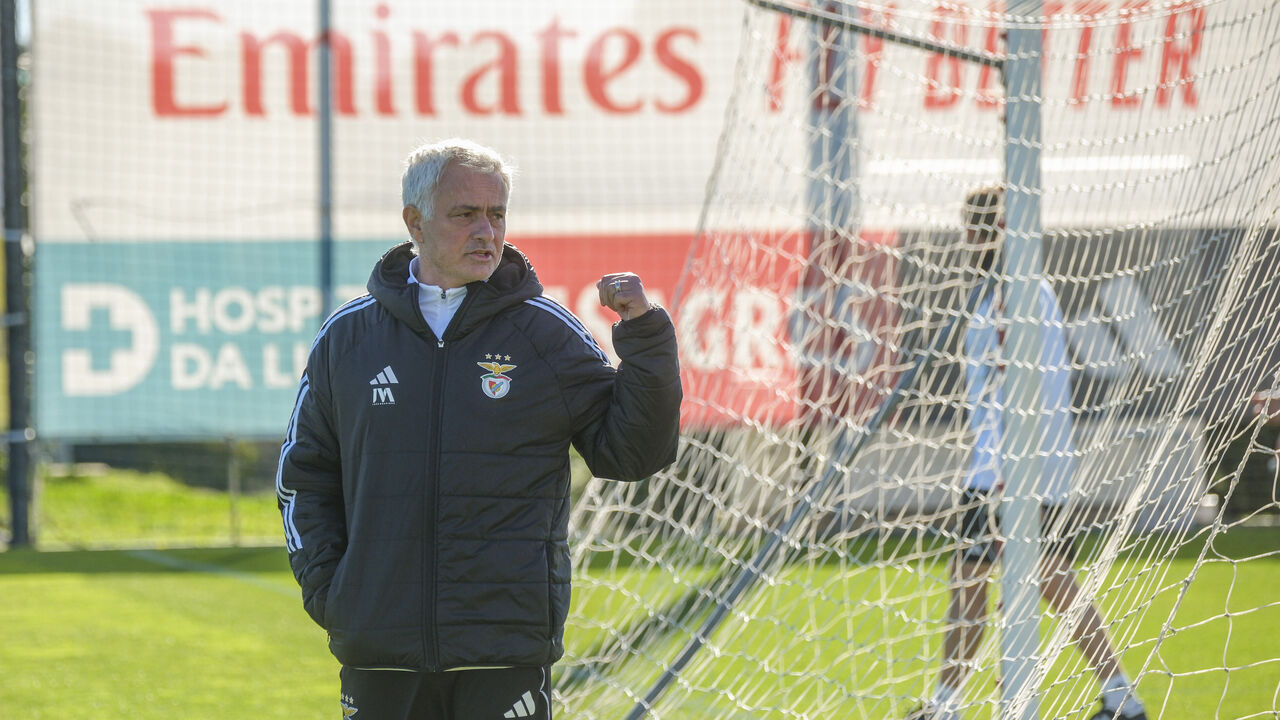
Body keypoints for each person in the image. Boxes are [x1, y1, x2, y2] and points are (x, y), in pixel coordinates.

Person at [276, 138, 682, 719]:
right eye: (465, 214)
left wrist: (645, 336)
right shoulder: (348, 338)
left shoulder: (545, 335)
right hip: (381, 654)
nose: (486, 232)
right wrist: (334, 593)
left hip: (503, 652)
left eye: (497, 214)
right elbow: (303, 478)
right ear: (414, 222)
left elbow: (633, 454)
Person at [909, 186, 1148, 720]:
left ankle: (1121, 697)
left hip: (1014, 470)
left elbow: (1017, 387)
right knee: (982, 581)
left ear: (992, 232)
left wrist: (1005, 475)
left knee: (1036, 578)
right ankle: (949, 703)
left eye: (974, 231)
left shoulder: (1014, 294)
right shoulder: (1010, 291)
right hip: (1010, 466)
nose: (969, 242)